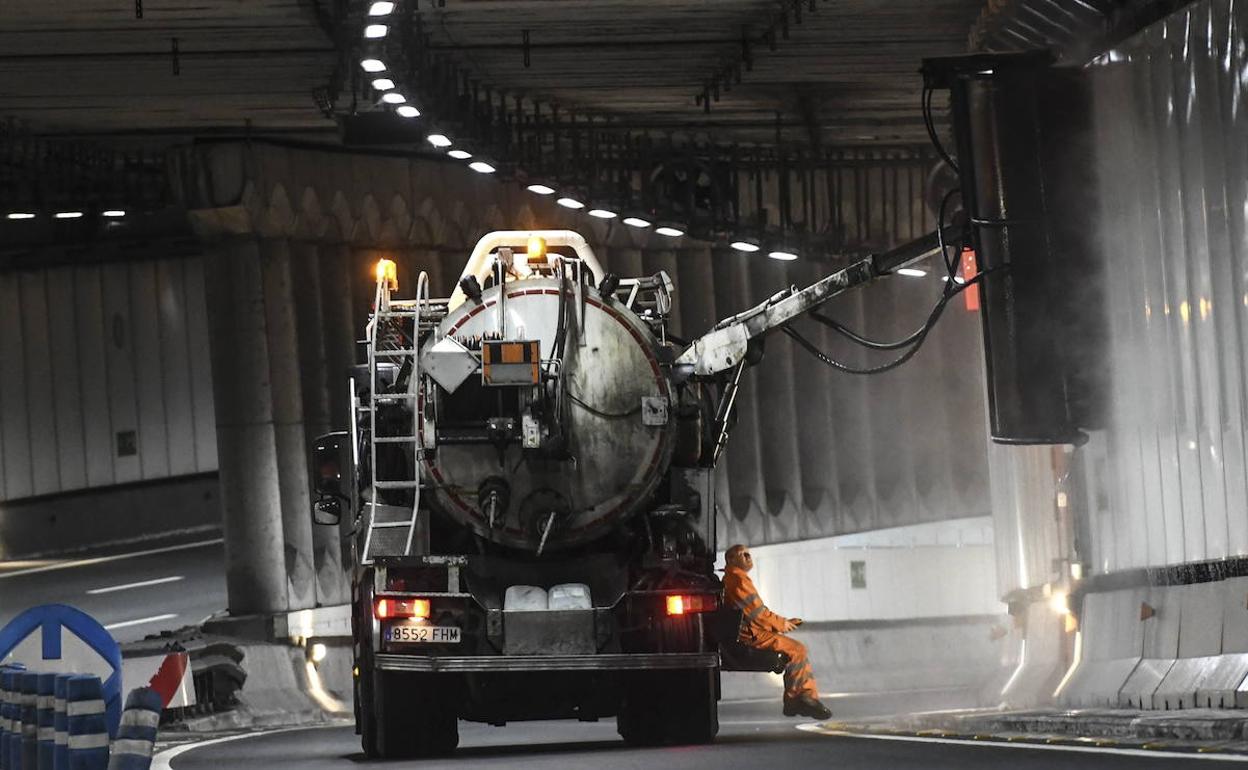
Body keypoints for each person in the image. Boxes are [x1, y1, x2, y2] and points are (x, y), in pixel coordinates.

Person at [722, 543, 832, 720]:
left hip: (750, 631)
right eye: (742, 554)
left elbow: (755, 613)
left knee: (797, 649)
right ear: (730, 560)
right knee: (797, 649)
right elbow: (758, 614)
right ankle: (801, 698)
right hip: (751, 635)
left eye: (748, 554)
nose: (748, 557)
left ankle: (797, 699)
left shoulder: (734, 578)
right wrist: (782, 624)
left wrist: (783, 622)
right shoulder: (738, 579)